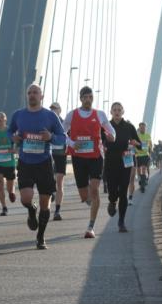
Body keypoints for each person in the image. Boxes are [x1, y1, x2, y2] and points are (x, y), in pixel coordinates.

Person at [8, 84, 67, 249]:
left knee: (45, 203)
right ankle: (30, 209)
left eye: (35, 92)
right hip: (25, 162)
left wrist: (51, 137)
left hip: (44, 163)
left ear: (41, 96)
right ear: (27, 96)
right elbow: (9, 131)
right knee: (26, 198)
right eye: (29, 93)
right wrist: (14, 138)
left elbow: (63, 137)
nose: (32, 95)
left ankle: (40, 237)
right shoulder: (18, 115)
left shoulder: (50, 116)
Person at [63, 86, 117, 239]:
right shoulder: (71, 115)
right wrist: (72, 143)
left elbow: (111, 130)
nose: (88, 100)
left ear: (93, 98)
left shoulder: (99, 114)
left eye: (90, 97)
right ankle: (90, 200)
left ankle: (91, 226)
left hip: (96, 157)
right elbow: (61, 132)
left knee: (94, 190)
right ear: (81, 98)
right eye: (85, 97)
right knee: (84, 194)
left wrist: (112, 136)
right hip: (78, 157)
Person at [103, 103, 143, 233]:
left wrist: (136, 143)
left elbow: (140, 145)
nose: (117, 112)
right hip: (110, 161)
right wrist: (104, 143)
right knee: (113, 190)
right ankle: (112, 201)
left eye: (119, 110)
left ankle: (121, 222)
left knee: (123, 192)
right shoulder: (105, 126)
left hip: (125, 162)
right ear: (111, 112)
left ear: (123, 111)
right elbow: (100, 141)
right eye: (114, 110)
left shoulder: (129, 127)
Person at [0, 112, 17, 216]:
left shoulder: (10, 132)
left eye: (2, 118)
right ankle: (4, 207)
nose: (0, 119)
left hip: (9, 163)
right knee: (0, 184)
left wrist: (13, 149)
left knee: (10, 186)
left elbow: (16, 145)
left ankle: (11, 193)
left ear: (5, 120)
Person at [48, 102, 68, 220]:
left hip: (61, 155)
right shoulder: (46, 122)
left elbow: (69, 138)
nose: (52, 110)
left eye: (55, 109)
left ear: (59, 110)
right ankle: (52, 193)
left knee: (59, 182)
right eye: (51, 109)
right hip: (49, 155)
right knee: (50, 181)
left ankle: (57, 211)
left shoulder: (65, 123)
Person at [132, 122, 152, 195]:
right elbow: (133, 144)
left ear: (145, 128)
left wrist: (150, 153)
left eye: (144, 127)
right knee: (138, 170)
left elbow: (150, 145)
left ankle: (142, 185)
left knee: (143, 168)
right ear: (139, 128)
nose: (142, 128)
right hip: (137, 155)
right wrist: (134, 152)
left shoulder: (148, 136)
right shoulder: (137, 136)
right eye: (141, 127)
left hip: (145, 155)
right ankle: (141, 180)